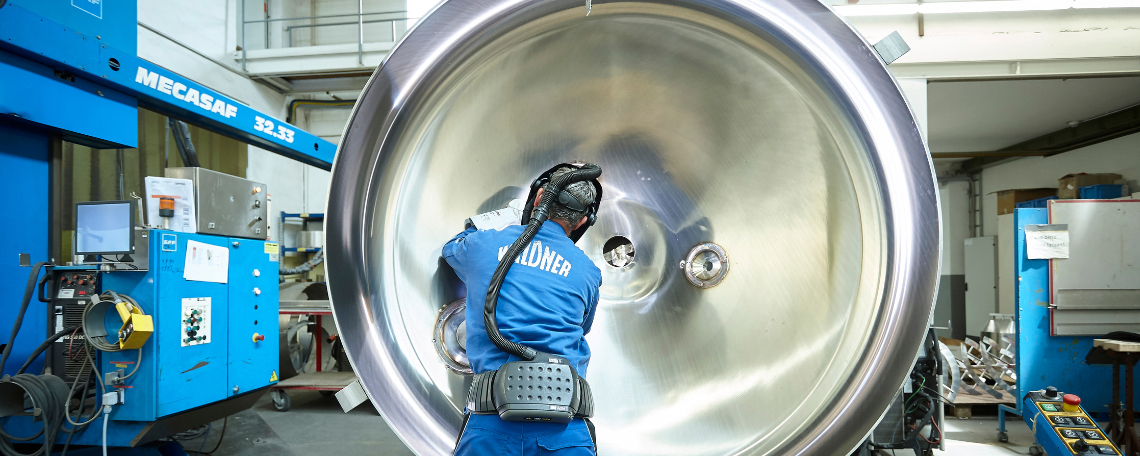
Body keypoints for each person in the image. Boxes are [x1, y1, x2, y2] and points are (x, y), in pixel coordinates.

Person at [443, 166, 602, 455]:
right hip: (564, 429)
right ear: (582, 221)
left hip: (491, 422)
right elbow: (583, 326)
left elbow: (451, 249)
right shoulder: (588, 271)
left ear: (539, 197)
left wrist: (501, 218)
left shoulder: (483, 245)